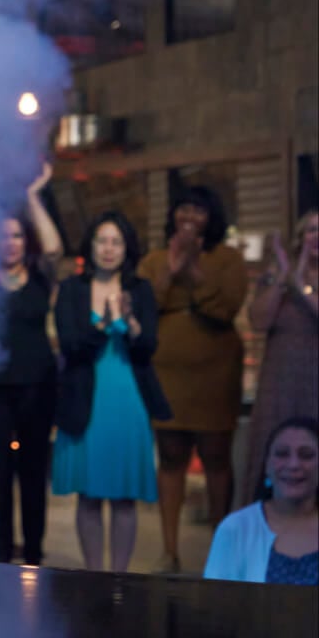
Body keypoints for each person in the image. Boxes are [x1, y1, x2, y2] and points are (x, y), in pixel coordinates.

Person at [137, 186, 248, 573]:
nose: (189, 216)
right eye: (183, 208)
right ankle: (169, 551)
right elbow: (144, 307)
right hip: (167, 375)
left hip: (215, 375)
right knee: (170, 458)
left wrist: (194, 273)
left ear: (211, 217)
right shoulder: (153, 259)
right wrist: (171, 270)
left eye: (198, 210)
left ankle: (222, 549)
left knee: (217, 458)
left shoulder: (229, 259)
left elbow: (226, 307)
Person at [52, 211, 170, 572]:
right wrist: (102, 327)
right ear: (90, 246)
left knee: (124, 497)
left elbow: (149, 347)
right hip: (85, 400)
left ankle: (119, 578)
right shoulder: (72, 289)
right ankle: (93, 575)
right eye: (102, 241)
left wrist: (131, 324)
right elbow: (70, 345)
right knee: (88, 497)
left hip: (127, 400)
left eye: (116, 242)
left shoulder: (140, 290)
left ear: (126, 248)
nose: (108, 249)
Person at [0, 163, 62, 565]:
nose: (9, 243)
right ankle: (0, 557)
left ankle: (33, 557)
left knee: (32, 476)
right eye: (2, 236)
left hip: (37, 389)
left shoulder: (40, 276)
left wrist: (31, 197)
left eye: (16, 235)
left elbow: (55, 249)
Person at [240, 211, 319, 507]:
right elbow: (259, 321)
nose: (317, 237)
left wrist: (302, 286)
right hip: (280, 380)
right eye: (311, 230)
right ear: (300, 238)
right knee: (273, 445)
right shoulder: (278, 275)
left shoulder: (300, 282)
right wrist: (282, 278)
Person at [205, 417, 318, 584]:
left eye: (306, 455)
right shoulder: (235, 528)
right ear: (266, 465)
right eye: (282, 454)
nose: (293, 464)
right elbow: (214, 597)